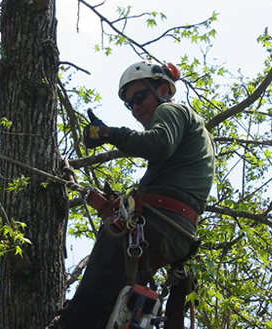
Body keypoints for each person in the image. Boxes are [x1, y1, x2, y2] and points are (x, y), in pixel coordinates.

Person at [47, 60, 215, 329]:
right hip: (175, 235)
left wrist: (108, 133)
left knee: (94, 291)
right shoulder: (194, 133)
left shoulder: (172, 111)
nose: (136, 108)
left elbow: (158, 144)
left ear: (163, 89)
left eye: (140, 97)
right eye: (130, 104)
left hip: (158, 223)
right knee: (116, 305)